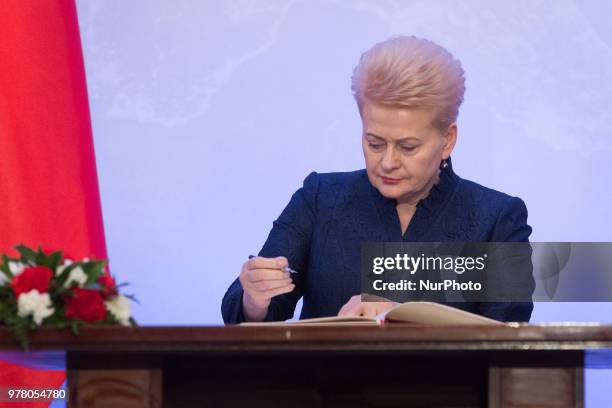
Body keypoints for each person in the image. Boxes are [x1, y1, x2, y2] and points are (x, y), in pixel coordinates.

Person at [222, 36, 534, 324]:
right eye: (374, 143)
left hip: (446, 385)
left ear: (448, 139)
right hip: (323, 382)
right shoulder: (319, 199)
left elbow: (508, 337)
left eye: (407, 147)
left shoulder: (496, 218)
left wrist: (405, 320)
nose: (387, 162)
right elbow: (249, 314)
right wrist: (256, 296)